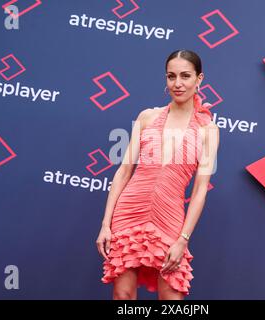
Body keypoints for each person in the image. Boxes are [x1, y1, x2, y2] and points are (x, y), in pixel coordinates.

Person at [96, 49, 220, 300]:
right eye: (171, 76)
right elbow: (124, 171)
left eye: (185, 76)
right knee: (122, 295)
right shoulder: (147, 117)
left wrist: (183, 239)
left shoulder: (209, 130)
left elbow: (199, 192)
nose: (178, 83)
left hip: (170, 218)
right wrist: (105, 224)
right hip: (129, 211)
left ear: (199, 79)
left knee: (171, 299)